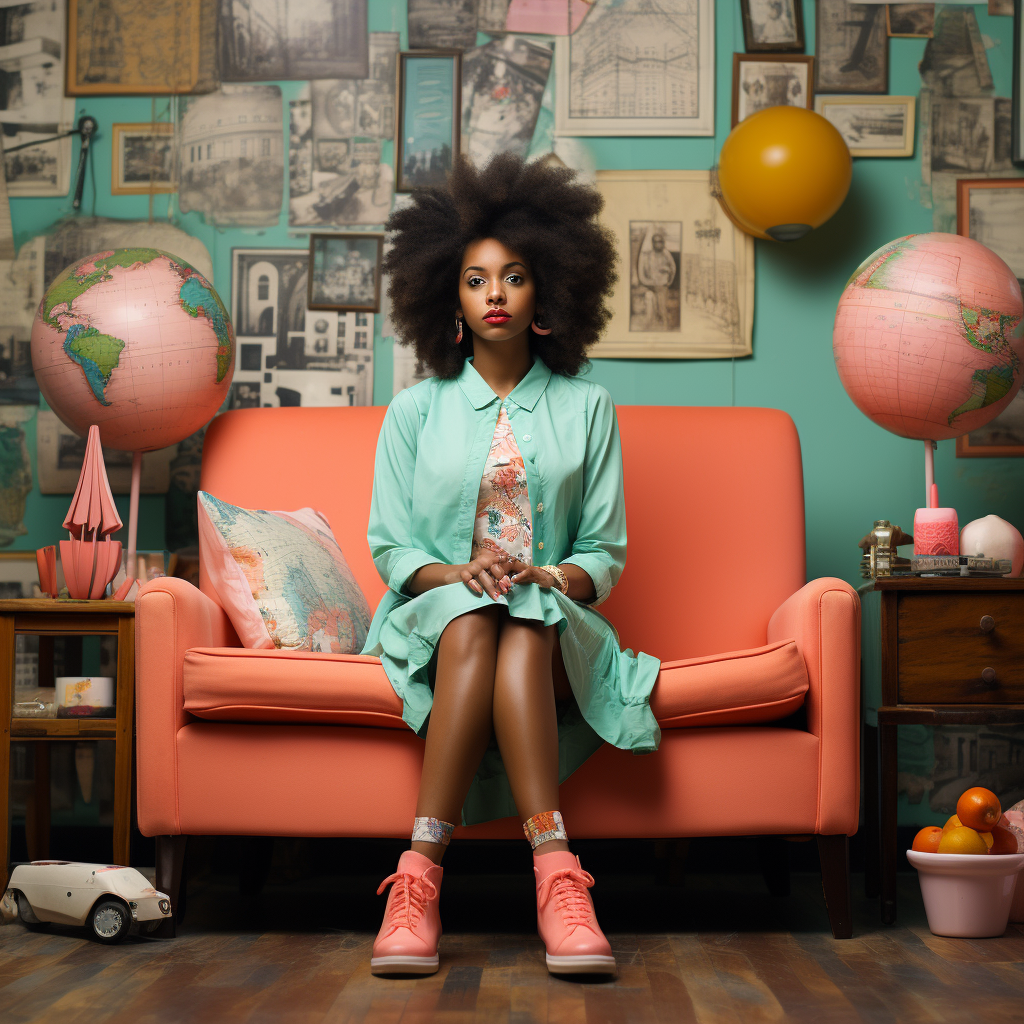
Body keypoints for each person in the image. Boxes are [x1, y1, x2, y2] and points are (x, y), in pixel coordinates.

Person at [362, 153, 661, 978]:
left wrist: (551, 578)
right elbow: (390, 545)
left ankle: (540, 876)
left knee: (521, 621)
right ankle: (436, 883)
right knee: (472, 622)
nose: (494, 292)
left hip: (548, 613)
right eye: (474, 279)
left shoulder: (588, 408)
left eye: (515, 276)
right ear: (448, 299)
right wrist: (451, 576)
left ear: (548, 293)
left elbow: (604, 552)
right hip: (435, 610)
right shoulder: (415, 410)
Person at [637, 230, 676, 329]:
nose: (658, 244)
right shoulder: (648, 255)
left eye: (660, 241)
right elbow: (642, 274)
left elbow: (673, 268)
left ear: (663, 243)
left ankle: (665, 324)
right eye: (656, 241)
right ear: (653, 243)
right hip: (650, 285)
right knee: (649, 300)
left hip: (662, 285)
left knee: (662, 306)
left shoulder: (666, 253)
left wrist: (669, 281)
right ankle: (650, 323)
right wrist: (648, 282)